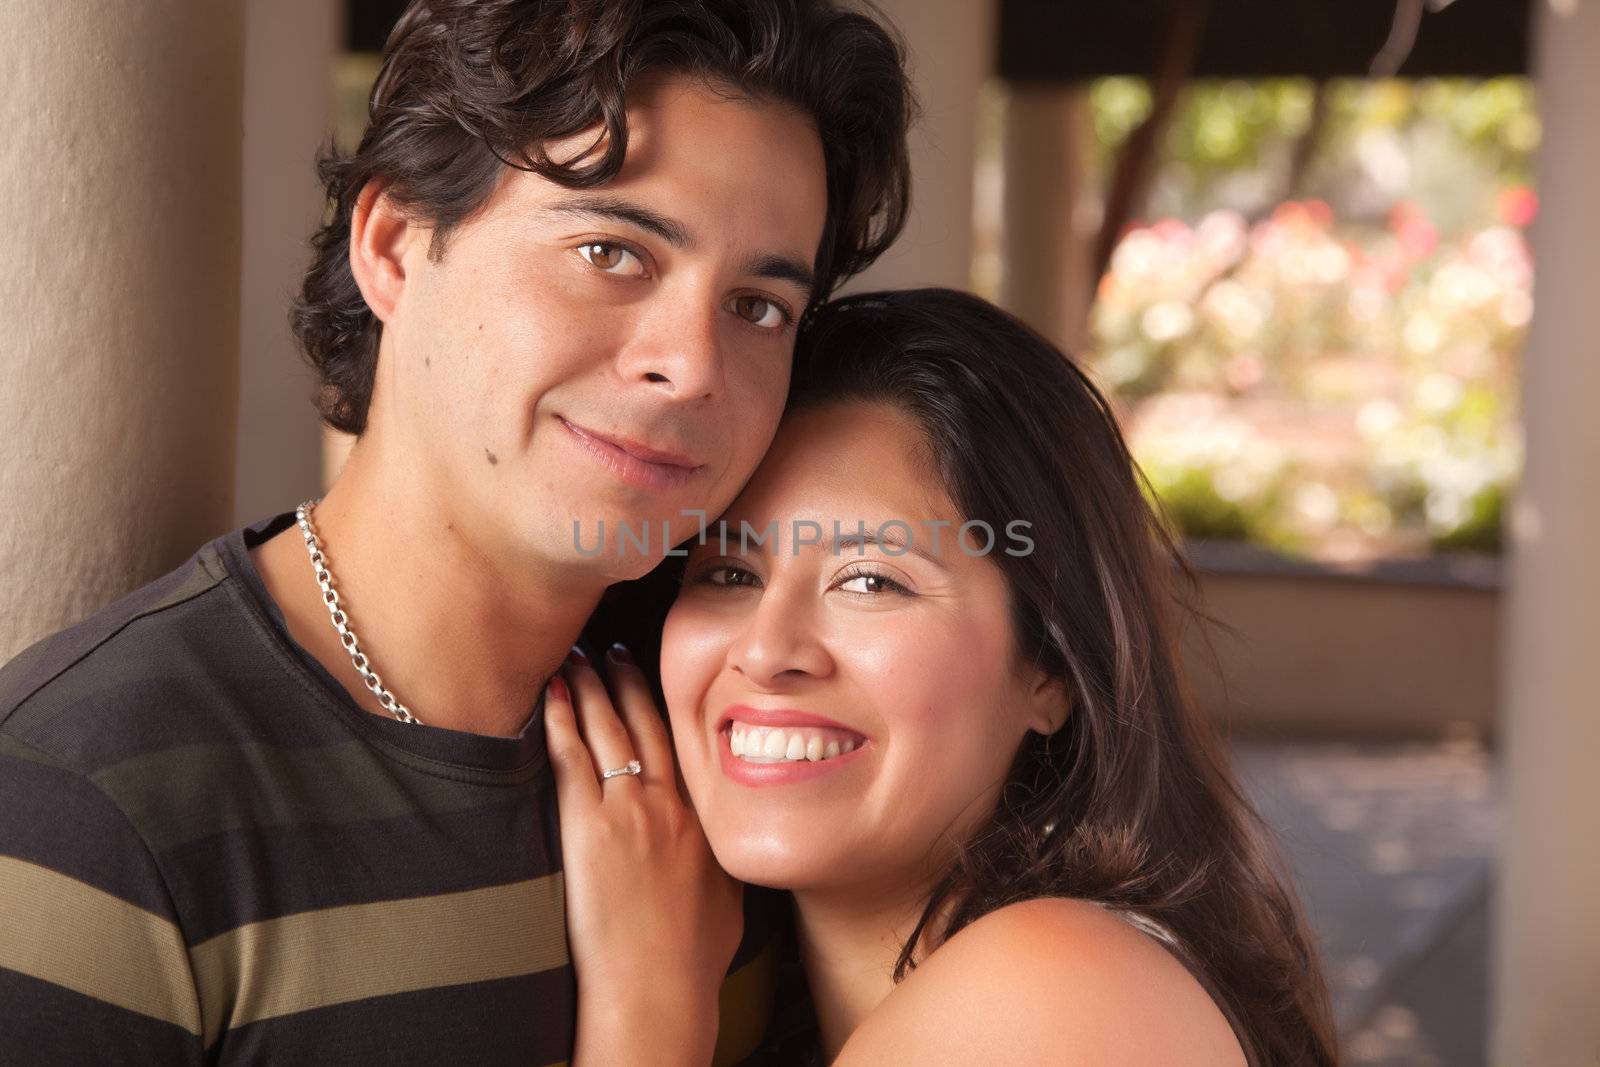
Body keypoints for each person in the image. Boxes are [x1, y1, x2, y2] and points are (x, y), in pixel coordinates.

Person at [0, 2, 912, 1063]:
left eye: (757, 306)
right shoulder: (87, 801)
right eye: (609, 251)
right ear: (393, 245)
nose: (693, 365)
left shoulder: (736, 735)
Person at [545, 289, 1342, 1065]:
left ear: (1050, 672)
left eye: (870, 580)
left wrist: (648, 1010)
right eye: (727, 573)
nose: (766, 649)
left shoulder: (1052, 990)